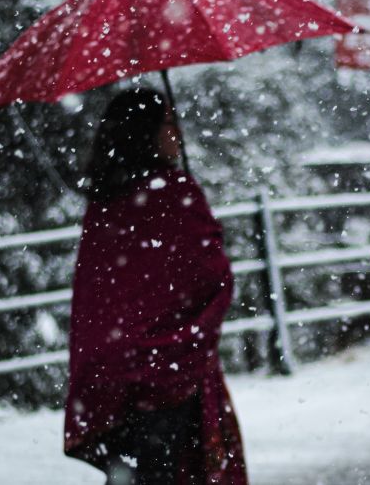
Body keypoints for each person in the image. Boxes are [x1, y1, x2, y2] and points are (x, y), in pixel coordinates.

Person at [64, 88, 248, 485]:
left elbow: (103, 295)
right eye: (168, 123)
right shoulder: (173, 193)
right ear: (146, 132)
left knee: (131, 475)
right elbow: (211, 278)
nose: (176, 132)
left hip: (111, 374)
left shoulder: (106, 199)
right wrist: (206, 229)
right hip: (168, 370)